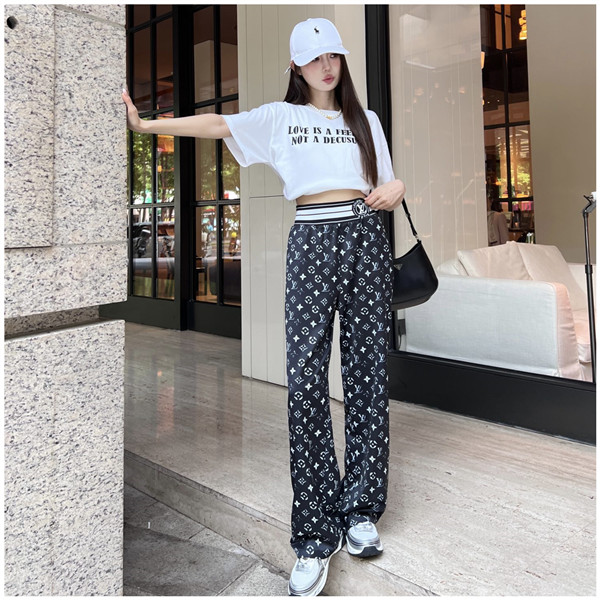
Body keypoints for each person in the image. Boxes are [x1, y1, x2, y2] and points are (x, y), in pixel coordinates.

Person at [123, 17, 406, 597]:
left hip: (365, 237)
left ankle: (360, 510)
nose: (327, 66)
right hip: (312, 240)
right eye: (316, 58)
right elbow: (217, 123)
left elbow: (388, 180)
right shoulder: (281, 118)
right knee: (305, 383)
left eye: (334, 56)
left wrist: (398, 189)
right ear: (296, 66)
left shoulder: (366, 120)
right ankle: (314, 533)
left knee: (367, 376)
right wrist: (147, 124)